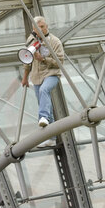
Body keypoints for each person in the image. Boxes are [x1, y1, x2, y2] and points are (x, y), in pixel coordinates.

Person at [21, 16, 64, 148]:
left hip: (51, 74)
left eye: (42, 27)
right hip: (36, 76)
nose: (40, 29)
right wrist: (25, 77)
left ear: (46, 26)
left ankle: (42, 117)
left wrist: (43, 59)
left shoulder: (55, 41)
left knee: (45, 91)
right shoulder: (31, 40)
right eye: (37, 28)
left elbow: (59, 62)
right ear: (33, 29)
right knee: (44, 103)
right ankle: (51, 137)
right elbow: (27, 60)